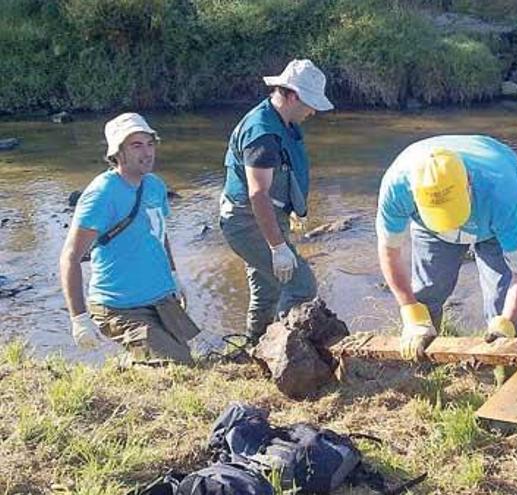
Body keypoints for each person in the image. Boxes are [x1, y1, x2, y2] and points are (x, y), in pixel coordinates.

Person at [376, 135, 517, 366]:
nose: (453, 226)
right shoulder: (397, 186)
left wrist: (507, 323)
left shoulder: (504, 194)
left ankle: (504, 370)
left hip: (491, 221)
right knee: (427, 293)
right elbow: (389, 251)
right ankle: (423, 367)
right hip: (430, 228)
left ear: (468, 181)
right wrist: (410, 310)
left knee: (501, 304)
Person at [60, 113, 199, 364]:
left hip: (161, 299)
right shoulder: (102, 194)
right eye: (136, 145)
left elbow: (159, 234)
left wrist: (174, 276)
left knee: (187, 362)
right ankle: (133, 363)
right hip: (120, 306)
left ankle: (130, 363)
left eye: (150, 143)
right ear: (118, 152)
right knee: (178, 369)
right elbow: (70, 257)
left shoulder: (155, 185)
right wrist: (78, 319)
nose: (147, 152)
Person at [219, 59, 333, 342]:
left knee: (266, 291)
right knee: (301, 286)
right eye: (310, 103)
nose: (314, 111)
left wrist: (290, 208)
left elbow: (282, 175)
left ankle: (255, 346)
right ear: (292, 95)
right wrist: (277, 246)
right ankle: (284, 350)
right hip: (248, 221)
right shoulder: (263, 134)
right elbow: (258, 194)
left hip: (265, 217)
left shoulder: (282, 120)